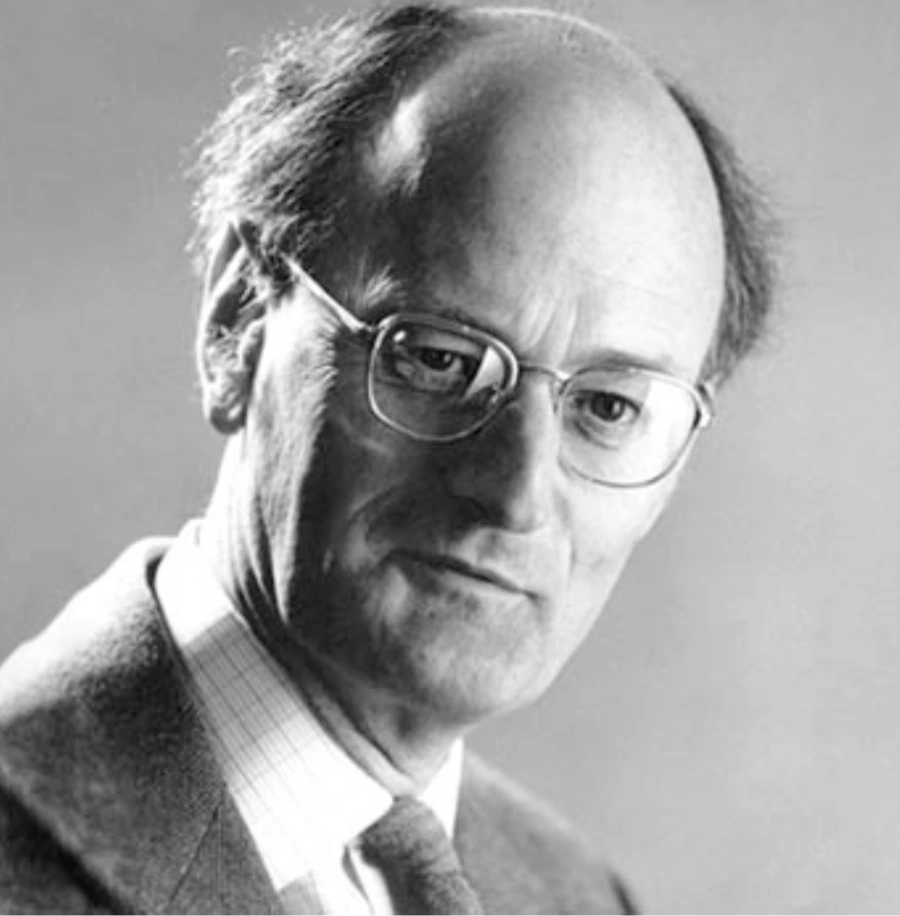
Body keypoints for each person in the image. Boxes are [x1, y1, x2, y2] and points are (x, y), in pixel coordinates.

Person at [0, 3, 775, 913]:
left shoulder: (577, 896)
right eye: (439, 360)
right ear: (237, 321)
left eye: (608, 407)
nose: (517, 493)